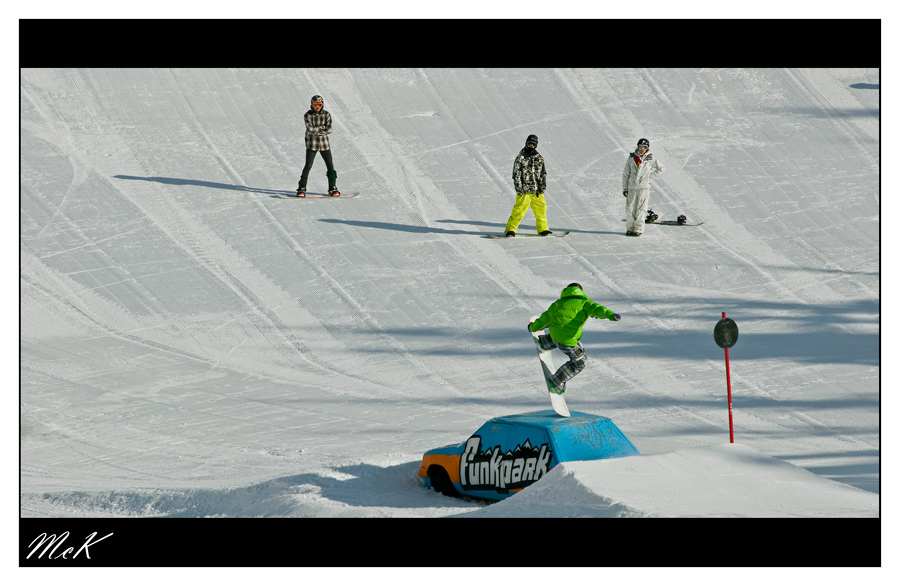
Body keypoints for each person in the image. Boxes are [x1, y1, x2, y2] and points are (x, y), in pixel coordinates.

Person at [528, 283, 621, 394]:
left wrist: (533, 327)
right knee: (580, 362)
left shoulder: (558, 303)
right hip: (567, 341)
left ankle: (545, 342)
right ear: (581, 292)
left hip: (554, 335)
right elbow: (598, 309)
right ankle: (556, 382)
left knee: (561, 333)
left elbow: (545, 319)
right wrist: (611, 315)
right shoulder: (585, 304)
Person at [505, 134, 552, 237]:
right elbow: (516, 174)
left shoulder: (539, 158)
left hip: (537, 191)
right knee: (519, 210)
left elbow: (542, 173)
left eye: (533, 145)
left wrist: (542, 187)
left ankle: (543, 229)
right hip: (524, 191)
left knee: (541, 210)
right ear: (526, 143)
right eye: (529, 144)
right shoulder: (521, 158)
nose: (531, 146)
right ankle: (511, 229)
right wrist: (519, 188)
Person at [296, 95, 340, 197]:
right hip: (312, 144)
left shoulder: (326, 114)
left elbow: (329, 129)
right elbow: (310, 129)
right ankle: (302, 188)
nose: (317, 107)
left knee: (330, 165)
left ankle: (332, 187)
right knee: (308, 165)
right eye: (315, 104)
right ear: (312, 105)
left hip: (324, 145)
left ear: (322, 105)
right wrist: (322, 129)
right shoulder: (308, 115)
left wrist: (318, 130)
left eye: (319, 105)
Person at [621, 138, 664, 236]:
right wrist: (625, 188)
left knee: (641, 209)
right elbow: (626, 174)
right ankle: (630, 228)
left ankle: (638, 229)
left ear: (647, 148)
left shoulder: (650, 158)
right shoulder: (632, 158)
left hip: (643, 188)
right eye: (640, 147)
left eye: (644, 147)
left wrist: (649, 176)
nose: (642, 149)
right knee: (630, 208)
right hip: (632, 187)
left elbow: (661, 168)